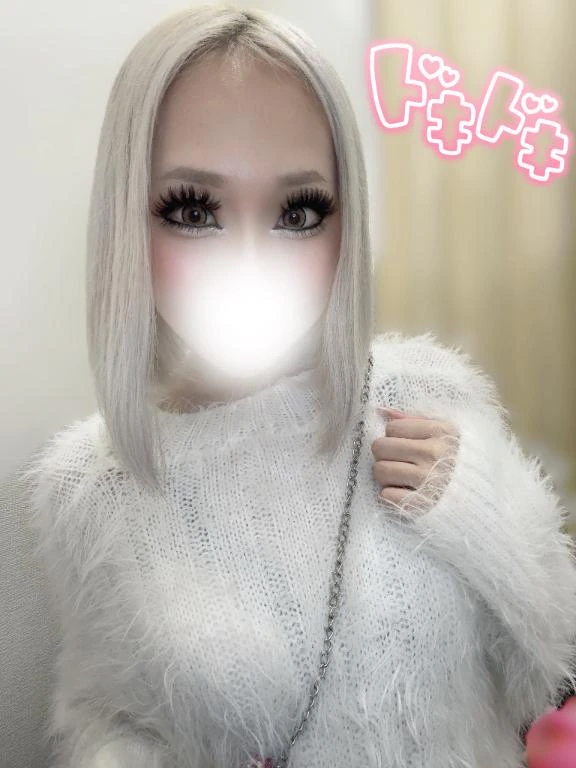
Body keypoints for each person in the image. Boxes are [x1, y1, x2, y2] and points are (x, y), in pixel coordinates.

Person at [22, 6, 576, 768]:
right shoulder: (88, 490)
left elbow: (546, 668)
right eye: (193, 209)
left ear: (345, 222)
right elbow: (106, 712)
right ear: (128, 219)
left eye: (299, 211)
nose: (250, 260)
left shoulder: (425, 395)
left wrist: (481, 510)